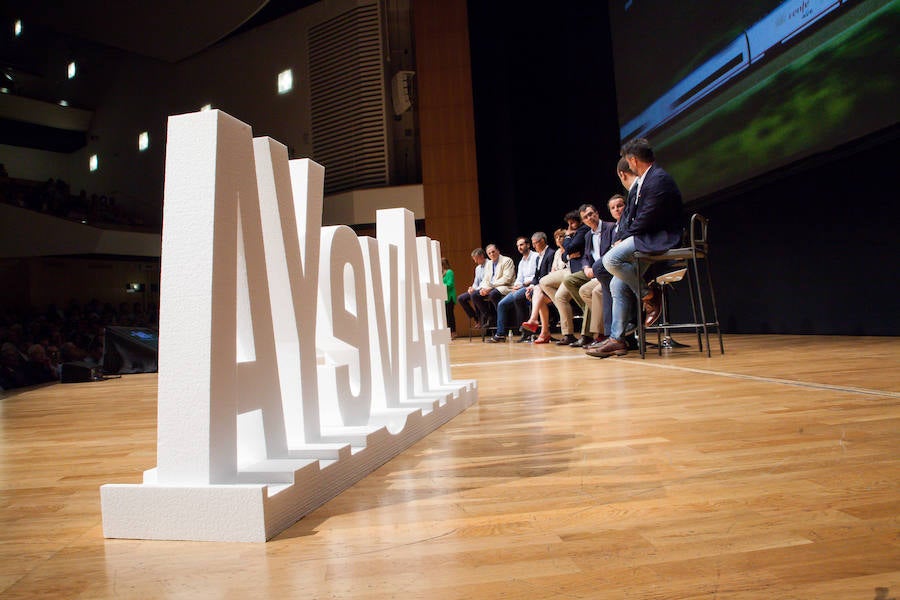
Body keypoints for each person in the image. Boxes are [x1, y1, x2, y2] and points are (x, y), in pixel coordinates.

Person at [589, 138, 684, 358]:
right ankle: (617, 340)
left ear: (632, 160)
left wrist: (625, 237)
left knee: (610, 261)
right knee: (616, 284)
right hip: (646, 236)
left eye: (627, 161)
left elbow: (646, 219)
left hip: (658, 238)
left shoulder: (658, 179)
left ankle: (649, 295)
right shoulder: (647, 179)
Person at [563, 203, 615, 348]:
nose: (589, 218)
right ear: (583, 221)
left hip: (608, 271)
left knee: (589, 291)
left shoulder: (610, 228)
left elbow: (612, 253)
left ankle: (599, 335)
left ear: (597, 213)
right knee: (575, 285)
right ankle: (594, 316)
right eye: (586, 217)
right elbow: (585, 256)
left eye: (591, 214)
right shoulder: (587, 235)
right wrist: (586, 266)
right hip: (593, 272)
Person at [545, 211, 589, 346]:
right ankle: (568, 332)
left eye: (573, 222)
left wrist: (568, 238)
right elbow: (565, 255)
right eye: (568, 223)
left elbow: (571, 247)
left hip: (579, 271)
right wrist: (569, 254)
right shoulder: (574, 233)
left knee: (562, 296)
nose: (570, 226)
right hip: (571, 270)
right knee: (545, 284)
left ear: (580, 221)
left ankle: (578, 334)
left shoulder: (583, 230)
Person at [521, 228, 568, 343]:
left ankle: (536, 322)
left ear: (542, 241)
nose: (533, 246)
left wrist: (535, 286)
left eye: (535, 243)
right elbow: (537, 277)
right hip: (543, 287)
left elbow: (548, 275)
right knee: (536, 293)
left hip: (554, 287)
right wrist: (531, 286)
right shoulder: (539, 257)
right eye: (532, 243)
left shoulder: (551, 253)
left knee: (538, 293)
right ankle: (544, 331)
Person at [487, 237, 538, 342]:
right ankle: (500, 334)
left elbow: (536, 276)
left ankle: (526, 332)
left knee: (517, 296)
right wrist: (517, 285)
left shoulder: (535, 257)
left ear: (528, 245)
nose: (520, 247)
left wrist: (522, 285)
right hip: (520, 287)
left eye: (522, 245)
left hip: (532, 286)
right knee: (502, 304)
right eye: (518, 246)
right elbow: (519, 279)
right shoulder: (522, 262)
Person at [471, 243, 516, 327]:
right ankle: (490, 317)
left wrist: (490, 287)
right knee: (474, 295)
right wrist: (483, 289)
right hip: (491, 288)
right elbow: (486, 280)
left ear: (498, 251)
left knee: (493, 294)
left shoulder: (507, 260)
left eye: (493, 252)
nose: (492, 254)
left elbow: (507, 278)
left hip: (505, 287)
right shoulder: (489, 264)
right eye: (489, 253)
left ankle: (501, 319)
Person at [457, 248, 488, 327]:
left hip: (487, 288)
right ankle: (476, 318)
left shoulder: (490, 264)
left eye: (476, 259)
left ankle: (486, 317)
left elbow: (487, 280)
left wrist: (475, 289)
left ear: (482, 256)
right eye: (474, 259)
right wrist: (471, 288)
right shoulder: (477, 268)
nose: (475, 261)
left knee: (474, 295)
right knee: (461, 298)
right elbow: (476, 282)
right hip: (477, 289)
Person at [441, 257, 457, 338]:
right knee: (444, 317)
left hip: (449, 297)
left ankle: (453, 332)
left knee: (449, 315)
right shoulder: (440, 274)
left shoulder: (449, 272)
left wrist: (440, 286)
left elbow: (450, 284)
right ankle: (446, 333)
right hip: (442, 298)